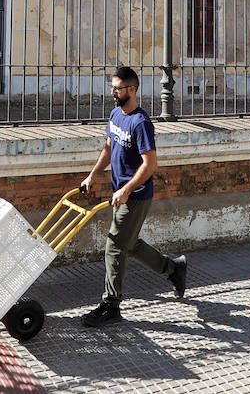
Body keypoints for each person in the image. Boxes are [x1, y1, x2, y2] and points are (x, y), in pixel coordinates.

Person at [78, 65, 187, 327]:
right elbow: (108, 148)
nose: (113, 92)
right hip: (120, 193)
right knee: (129, 243)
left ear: (132, 89)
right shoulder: (116, 115)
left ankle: (111, 305)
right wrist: (92, 175)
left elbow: (150, 164)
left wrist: (126, 190)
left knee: (115, 244)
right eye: (112, 87)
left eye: (118, 88)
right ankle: (173, 268)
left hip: (135, 194)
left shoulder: (141, 122)